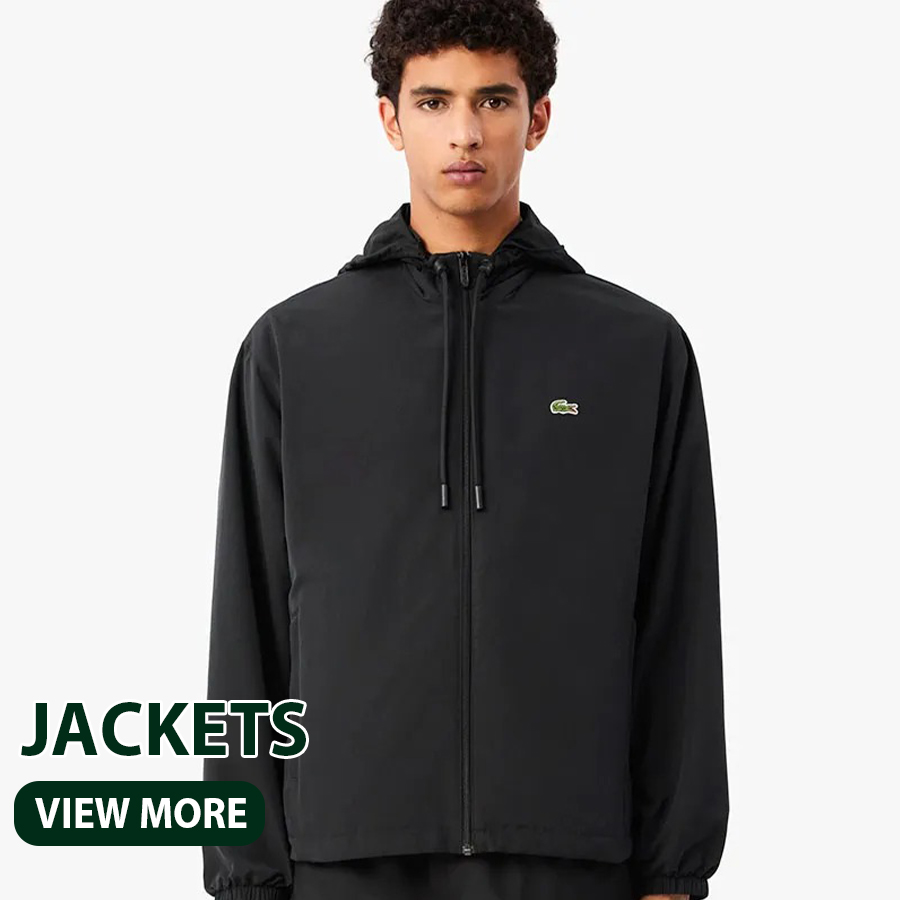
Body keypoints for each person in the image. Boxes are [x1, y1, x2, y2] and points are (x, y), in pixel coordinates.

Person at [201, 1, 730, 899]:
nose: (464, 134)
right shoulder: (295, 347)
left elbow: (678, 618)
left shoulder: (636, 349)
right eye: (434, 101)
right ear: (390, 119)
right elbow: (246, 621)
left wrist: (673, 873)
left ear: (538, 116)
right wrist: (245, 873)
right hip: (345, 855)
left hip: (570, 854)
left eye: (493, 100)